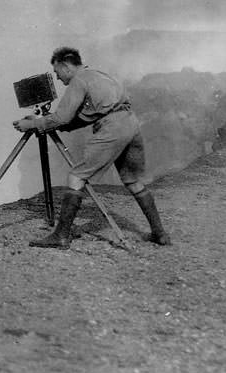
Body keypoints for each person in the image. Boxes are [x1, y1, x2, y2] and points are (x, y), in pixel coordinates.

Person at [13, 47, 170, 249]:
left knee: (76, 176)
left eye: (57, 72)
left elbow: (62, 117)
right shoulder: (99, 75)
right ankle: (160, 233)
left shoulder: (79, 80)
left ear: (66, 66)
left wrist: (33, 123)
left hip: (112, 128)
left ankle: (61, 236)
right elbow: (86, 116)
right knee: (133, 180)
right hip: (130, 123)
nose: (58, 78)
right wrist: (46, 121)